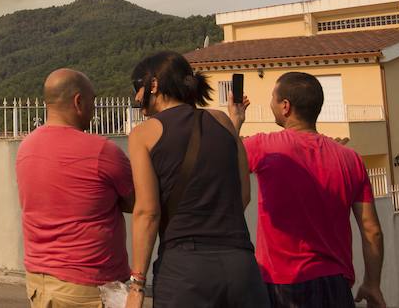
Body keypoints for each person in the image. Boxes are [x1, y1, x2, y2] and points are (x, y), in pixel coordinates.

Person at [227, 71, 386, 308]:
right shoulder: (351, 159)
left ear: (285, 106)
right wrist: (372, 284)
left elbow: (223, 157)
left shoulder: (264, 147)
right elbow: (372, 231)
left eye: (273, 97)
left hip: (283, 285)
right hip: (336, 285)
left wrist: (235, 121)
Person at [126, 51, 268, 308]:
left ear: (154, 85)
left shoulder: (144, 134)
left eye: (138, 86)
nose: (137, 96)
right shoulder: (223, 121)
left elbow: (148, 212)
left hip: (185, 269)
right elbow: (242, 196)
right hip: (241, 265)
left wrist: (137, 284)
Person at [16, 68, 135, 307]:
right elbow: (137, 202)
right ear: (78, 101)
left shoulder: (26, 148)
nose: (94, 108)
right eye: (93, 101)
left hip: (40, 282)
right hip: (90, 287)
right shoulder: (103, 151)